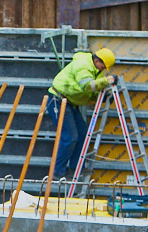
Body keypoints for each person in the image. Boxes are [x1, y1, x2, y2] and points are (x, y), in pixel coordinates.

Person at [44, 47, 116, 185]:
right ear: (96, 60)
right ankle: (57, 172)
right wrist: (107, 81)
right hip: (58, 101)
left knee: (83, 133)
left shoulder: (95, 71)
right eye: (103, 66)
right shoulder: (83, 66)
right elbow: (86, 86)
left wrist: (104, 96)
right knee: (70, 136)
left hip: (70, 103)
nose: (103, 69)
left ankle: (75, 167)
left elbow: (91, 92)